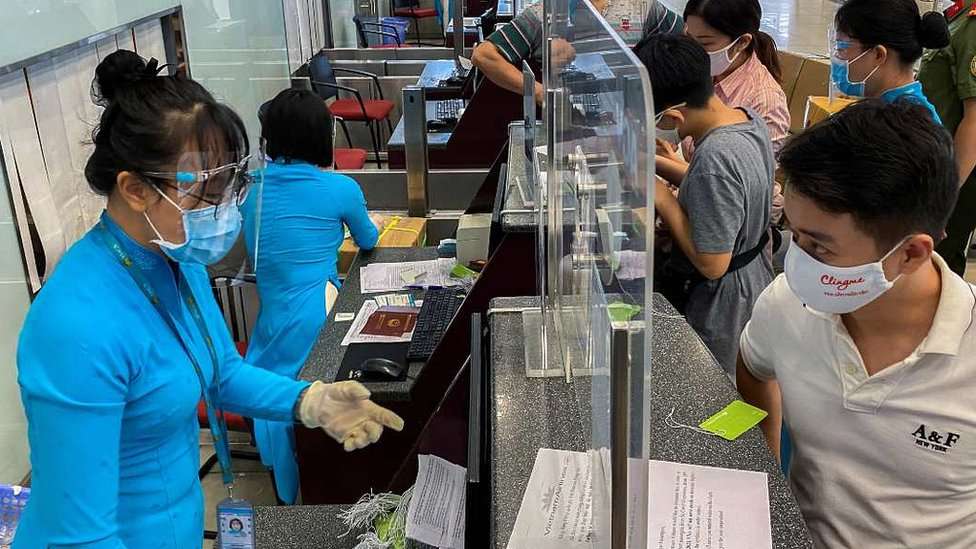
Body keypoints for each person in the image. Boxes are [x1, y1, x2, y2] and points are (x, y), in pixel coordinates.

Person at [13, 50, 402, 548]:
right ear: (134, 189)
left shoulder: (180, 263)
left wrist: (309, 401)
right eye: (206, 188)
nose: (223, 206)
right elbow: (78, 536)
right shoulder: (74, 325)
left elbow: (221, 374)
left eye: (230, 180)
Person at [737, 100, 972, 548]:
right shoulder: (786, 304)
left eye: (820, 248)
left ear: (910, 253)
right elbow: (753, 366)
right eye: (795, 234)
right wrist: (764, 465)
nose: (796, 257)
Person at [241, 88, 380, 504]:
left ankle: (291, 487)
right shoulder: (339, 188)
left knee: (277, 391)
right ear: (324, 135)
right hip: (318, 315)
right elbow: (369, 239)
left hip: (271, 320)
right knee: (316, 400)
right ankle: (322, 486)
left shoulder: (251, 190)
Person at [637, 34, 774, 378]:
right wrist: (650, 163)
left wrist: (660, 195)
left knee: (715, 387)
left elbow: (713, 262)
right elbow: (716, 186)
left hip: (725, 302)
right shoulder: (745, 119)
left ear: (672, 117)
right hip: (756, 273)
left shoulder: (716, 155)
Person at [657, 0, 789, 224]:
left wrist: (664, 196)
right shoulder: (709, 73)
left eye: (705, 44)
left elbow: (730, 189)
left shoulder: (764, 101)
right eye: (690, 41)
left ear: (742, 43)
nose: (694, 53)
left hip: (736, 218)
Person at [920, 0, 976, 276]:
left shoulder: (973, 25)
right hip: (936, 164)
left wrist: (946, 195)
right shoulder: (960, 14)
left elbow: (975, 121)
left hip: (958, 172)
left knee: (937, 270)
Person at [471, 0, 609, 104]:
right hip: (569, 122)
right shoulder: (543, 13)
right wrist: (538, 92)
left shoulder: (628, 7)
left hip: (621, 114)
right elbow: (483, 55)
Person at [832, 0, 949, 122]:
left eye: (841, 49)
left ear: (878, 55)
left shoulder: (905, 123)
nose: (836, 57)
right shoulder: (890, 107)